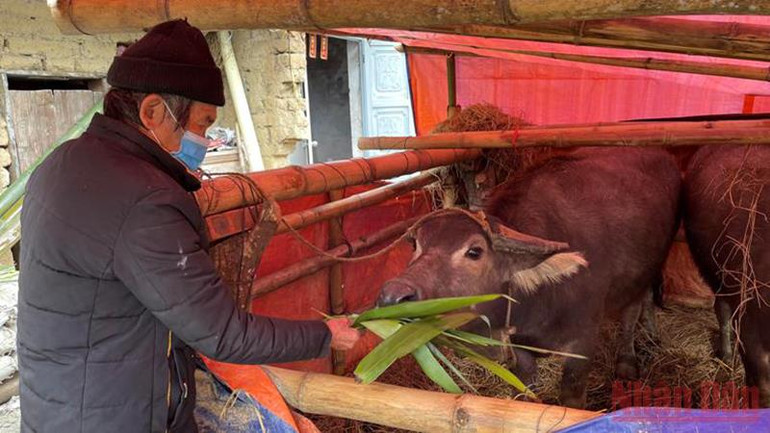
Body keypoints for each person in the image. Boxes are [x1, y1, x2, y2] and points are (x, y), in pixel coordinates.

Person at [17, 19, 359, 433]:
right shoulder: (145, 199)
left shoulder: (60, 162)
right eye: (202, 125)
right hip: (113, 416)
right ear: (153, 112)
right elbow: (223, 334)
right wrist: (324, 335)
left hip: (56, 405)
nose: (206, 141)